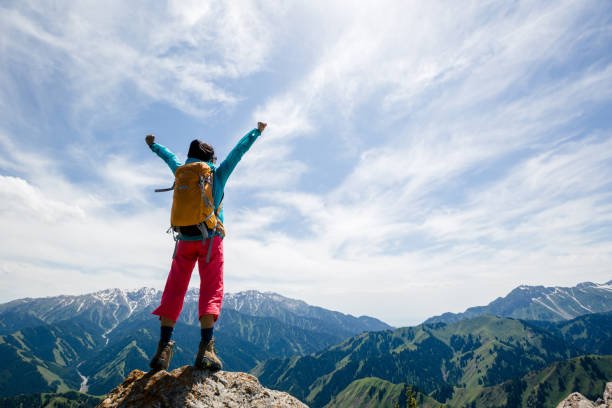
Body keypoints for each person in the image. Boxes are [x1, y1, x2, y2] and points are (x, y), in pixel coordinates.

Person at [145, 122, 267, 372]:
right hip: (211, 239)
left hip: (184, 240)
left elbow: (168, 156)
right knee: (211, 288)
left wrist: (153, 145)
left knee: (174, 288)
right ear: (211, 158)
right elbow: (238, 152)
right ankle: (206, 349)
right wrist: (256, 132)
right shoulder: (216, 174)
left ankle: (163, 349)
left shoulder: (181, 170)